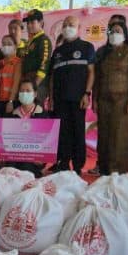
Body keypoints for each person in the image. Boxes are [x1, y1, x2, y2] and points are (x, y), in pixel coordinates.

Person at [49, 16, 95, 174]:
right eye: (66, 24)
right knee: (62, 132)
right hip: (60, 98)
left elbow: (91, 72)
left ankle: (77, 165)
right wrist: (51, 98)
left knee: (77, 131)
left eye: (71, 25)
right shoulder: (57, 51)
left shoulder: (87, 47)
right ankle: (62, 162)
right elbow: (52, 77)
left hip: (78, 98)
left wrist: (87, 94)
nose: (68, 27)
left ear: (79, 27)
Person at [95, 22, 128, 176]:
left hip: (124, 101)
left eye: (118, 31)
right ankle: (104, 170)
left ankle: (119, 171)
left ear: (125, 33)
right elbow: (98, 78)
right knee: (104, 136)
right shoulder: (103, 52)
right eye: (112, 31)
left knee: (120, 136)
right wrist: (95, 99)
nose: (114, 33)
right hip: (104, 100)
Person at [4, 79, 46, 177]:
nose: (24, 93)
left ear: (35, 94)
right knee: (9, 171)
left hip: (34, 158)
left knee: (27, 168)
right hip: (14, 156)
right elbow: (6, 138)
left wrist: (42, 158)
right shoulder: (13, 114)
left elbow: (47, 140)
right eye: (22, 91)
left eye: (28, 91)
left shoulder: (43, 115)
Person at [21, 9, 52, 106]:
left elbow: (44, 63)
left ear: (41, 23)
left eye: (32, 22)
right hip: (27, 81)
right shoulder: (31, 41)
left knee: (36, 112)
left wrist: (34, 86)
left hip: (38, 83)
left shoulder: (44, 40)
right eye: (28, 22)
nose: (29, 25)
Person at [0, 35, 22, 114]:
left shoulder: (18, 62)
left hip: (11, 101)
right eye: (4, 44)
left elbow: (16, 83)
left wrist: (11, 101)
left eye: (9, 44)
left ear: (15, 46)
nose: (6, 46)